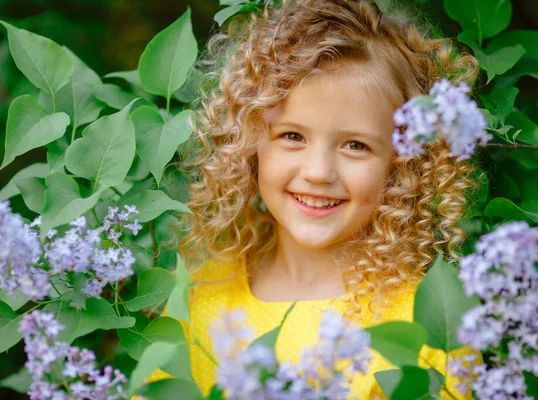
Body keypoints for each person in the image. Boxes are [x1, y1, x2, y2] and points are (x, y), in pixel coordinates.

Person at [152, 0, 479, 398]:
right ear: (249, 142)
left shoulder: (427, 323)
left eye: (355, 145)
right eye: (293, 136)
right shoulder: (197, 298)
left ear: (403, 163)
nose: (319, 171)